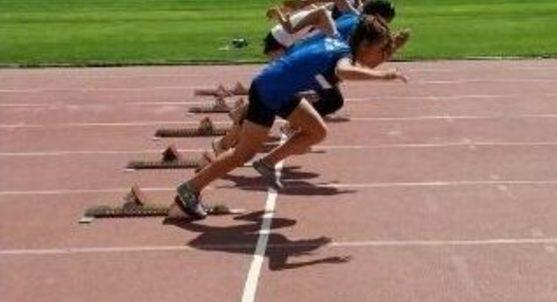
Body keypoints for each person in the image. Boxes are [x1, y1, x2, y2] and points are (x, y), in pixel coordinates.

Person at [169, 16, 407, 219]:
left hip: (281, 90)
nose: (380, 57)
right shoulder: (342, 56)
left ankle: (267, 163)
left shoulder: (339, 43)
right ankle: (188, 191)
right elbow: (344, 71)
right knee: (243, 153)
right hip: (268, 91)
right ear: (365, 44)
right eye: (379, 50)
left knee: (318, 131)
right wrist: (383, 76)